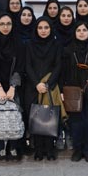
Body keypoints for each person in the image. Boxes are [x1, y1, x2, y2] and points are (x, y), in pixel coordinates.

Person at [61, 22, 88, 163]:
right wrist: (62, 90)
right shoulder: (68, 50)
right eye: (78, 30)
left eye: (84, 30)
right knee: (76, 123)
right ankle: (78, 150)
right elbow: (63, 72)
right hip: (73, 92)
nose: (81, 32)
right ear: (74, 32)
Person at [0, 13, 24, 160]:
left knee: (14, 115)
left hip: (14, 86)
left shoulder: (18, 42)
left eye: (8, 24)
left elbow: (20, 66)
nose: (5, 27)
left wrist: (12, 87)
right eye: (2, 24)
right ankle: (0, 147)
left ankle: (13, 147)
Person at [25, 17, 64, 161]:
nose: (43, 31)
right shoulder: (29, 45)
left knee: (49, 117)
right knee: (36, 117)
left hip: (50, 87)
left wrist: (47, 84)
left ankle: (50, 149)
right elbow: (27, 65)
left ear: (51, 29)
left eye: (46, 27)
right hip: (33, 87)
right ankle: (38, 149)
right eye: (40, 28)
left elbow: (58, 65)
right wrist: (37, 84)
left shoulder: (56, 44)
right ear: (36, 29)